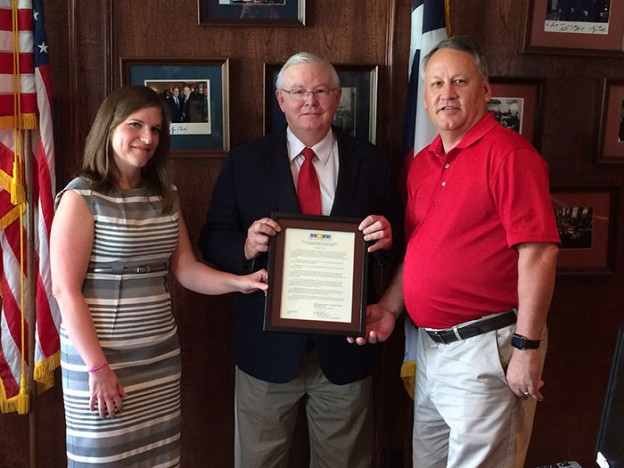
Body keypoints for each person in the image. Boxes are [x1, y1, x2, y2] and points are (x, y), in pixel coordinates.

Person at [350, 36, 560, 467]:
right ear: (425, 99)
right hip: (430, 350)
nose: (447, 93)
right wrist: (390, 308)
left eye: (459, 81)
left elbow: (538, 253)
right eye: (436, 83)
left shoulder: (510, 156)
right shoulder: (421, 162)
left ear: (485, 91)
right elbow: (418, 250)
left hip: (488, 349)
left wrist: (526, 347)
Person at [198, 52, 403, 467]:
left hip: (346, 352)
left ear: (337, 97)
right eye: (298, 91)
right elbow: (212, 240)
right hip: (265, 353)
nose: (310, 100)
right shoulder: (244, 162)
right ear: (281, 100)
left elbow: (402, 248)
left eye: (321, 90)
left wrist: (387, 238)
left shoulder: (374, 163)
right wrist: (246, 246)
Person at [50, 84, 268, 467]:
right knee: (101, 459)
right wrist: (98, 368)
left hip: (159, 355)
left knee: (159, 460)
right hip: (101, 359)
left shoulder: (165, 194)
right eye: (136, 125)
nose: (147, 138)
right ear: (109, 126)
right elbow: (66, 291)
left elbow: (186, 270)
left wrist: (241, 283)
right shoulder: (79, 197)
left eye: (156, 129)